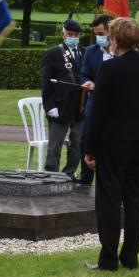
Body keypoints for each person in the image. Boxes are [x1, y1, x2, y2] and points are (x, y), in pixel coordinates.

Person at [83, 17, 139, 271]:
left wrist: (90, 148)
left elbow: (98, 113)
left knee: (108, 200)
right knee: (134, 201)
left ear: (116, 39)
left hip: (113, 143)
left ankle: (108, 258)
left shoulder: (110, 69)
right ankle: (130, 256)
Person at [41, 19, 85, 177]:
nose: (72, 37)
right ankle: (51, 176)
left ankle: (69, 174)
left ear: (80, 35)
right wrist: (49, 105)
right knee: (55, 146)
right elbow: (46, 83)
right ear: (63, 34)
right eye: (69, 34)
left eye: (75, 34)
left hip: (80, 107)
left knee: (77, 144)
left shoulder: (84, 52)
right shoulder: (53, 53)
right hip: (59, 107)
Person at [78, 15, 114, 185]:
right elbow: (84, 74)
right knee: (86, 141)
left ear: (111, 31)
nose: (99, 36)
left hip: (114, 109)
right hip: (93, 105)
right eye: (96, 33)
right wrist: (87, 82)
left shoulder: (121, 53)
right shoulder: (91, 52)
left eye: (101, 33)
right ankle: (84, 181)